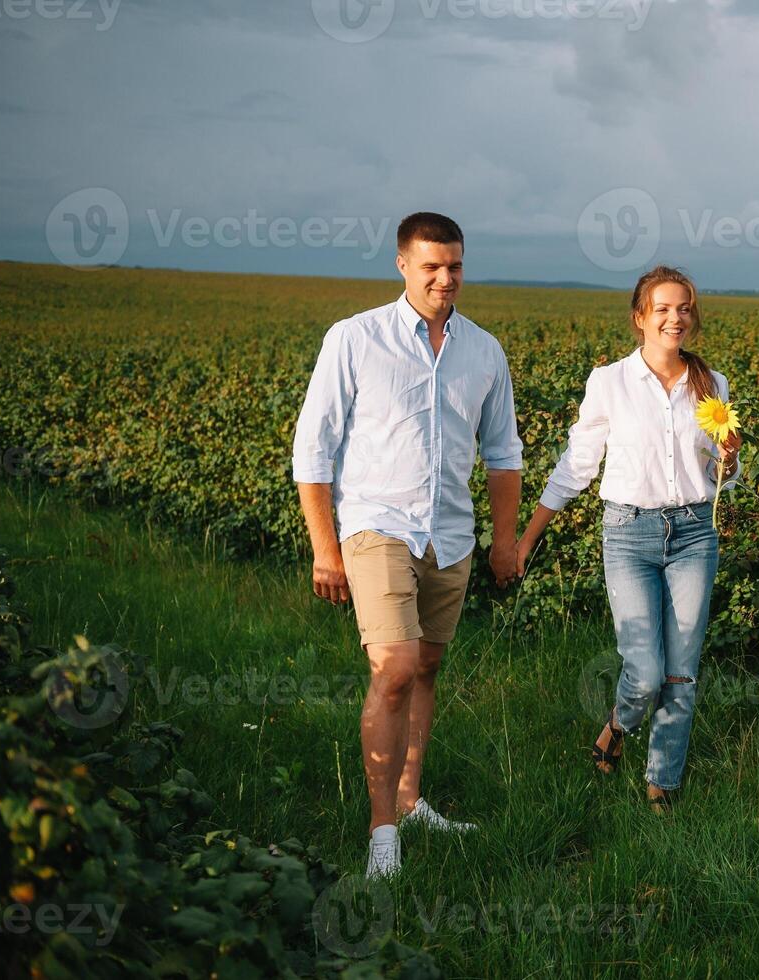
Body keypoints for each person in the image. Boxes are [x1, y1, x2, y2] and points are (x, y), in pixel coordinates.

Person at [292, 212, 523, 878]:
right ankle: (381, 833)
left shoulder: (483, 350)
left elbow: (503, 454)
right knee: (392, 670)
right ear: (402, 265)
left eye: (453, 266)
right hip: (375, 524)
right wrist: (325, 549)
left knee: (424, 668)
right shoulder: (355, 339)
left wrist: (502, 542)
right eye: (430, 267)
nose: (444, 279)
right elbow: (315, 447)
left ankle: (411, 797)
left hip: (449, 533)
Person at [514, 265, 742, 812]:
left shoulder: (714, 388)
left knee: (681, 671)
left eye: (684, 307)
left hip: (693, 533)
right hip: (629, 533)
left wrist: (730, 461)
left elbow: (721, 477)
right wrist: (527, 539)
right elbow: (577, 466)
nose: (675, 318)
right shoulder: (609, 383)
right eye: (662, 308)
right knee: (644, 672)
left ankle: (662, 784)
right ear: (640, 318)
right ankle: (619, 723)